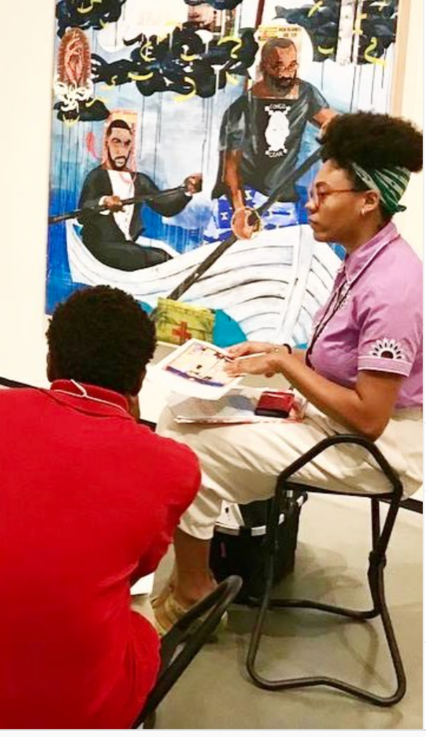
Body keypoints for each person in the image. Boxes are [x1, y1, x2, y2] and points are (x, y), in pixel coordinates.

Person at [152, 111, 423, 631]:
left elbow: (370, 418)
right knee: (179, 416)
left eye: (323, 193)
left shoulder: (392, 284)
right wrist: (280, 353)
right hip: (335, 425)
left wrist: (282, 364)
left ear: (368, 200)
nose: (310, 203)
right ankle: (197, 576)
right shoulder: (361, 260)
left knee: (186, 448)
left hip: (373, 449)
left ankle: (193, 593)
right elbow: (338, 363)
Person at [0, 286, 201, 728]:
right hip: (81, 710)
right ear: (140, 381)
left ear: (50, 362)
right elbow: (139, 571)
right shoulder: (175, 467)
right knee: (136, 610)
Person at [208, 37, 337, 241]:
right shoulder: (241, 109)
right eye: (278, 66)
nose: (286, 73)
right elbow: (230, 168)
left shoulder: (306, 94)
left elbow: (333, 123)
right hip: (244, 199)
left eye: (292, 65)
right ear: (264, 66)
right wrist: (240, 210)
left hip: (282, 201)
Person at [78, 117, 202, 270]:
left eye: (127, 143)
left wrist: (187, 191)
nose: (121, 150)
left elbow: (165, 206)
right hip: (100, 246)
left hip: (126, 246)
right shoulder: (96, 176)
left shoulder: (139, 180)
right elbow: (82, 214)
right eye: (116, 142)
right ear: (106, 143)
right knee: (141, 256)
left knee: (163, 256)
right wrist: (103, 202)